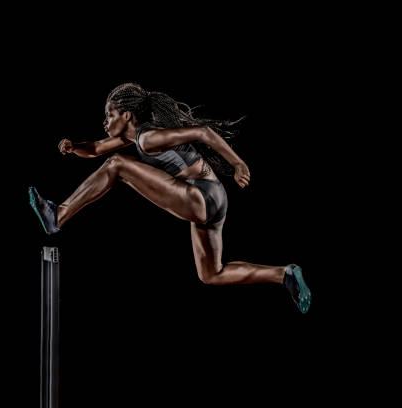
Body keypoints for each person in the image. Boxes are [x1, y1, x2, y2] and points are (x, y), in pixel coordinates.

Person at [29, 83, 311, 313]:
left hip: (199, 194)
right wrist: (73, 147)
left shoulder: (147, 138)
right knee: (212, 274)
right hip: (213, 200)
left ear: (127, 115)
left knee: (118, 166)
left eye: (110, 114)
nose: (105, 121)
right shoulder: (138, 136)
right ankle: (283, 274)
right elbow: (96, 148)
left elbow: (203, 132)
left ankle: (59, 215)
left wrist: (239, 164)